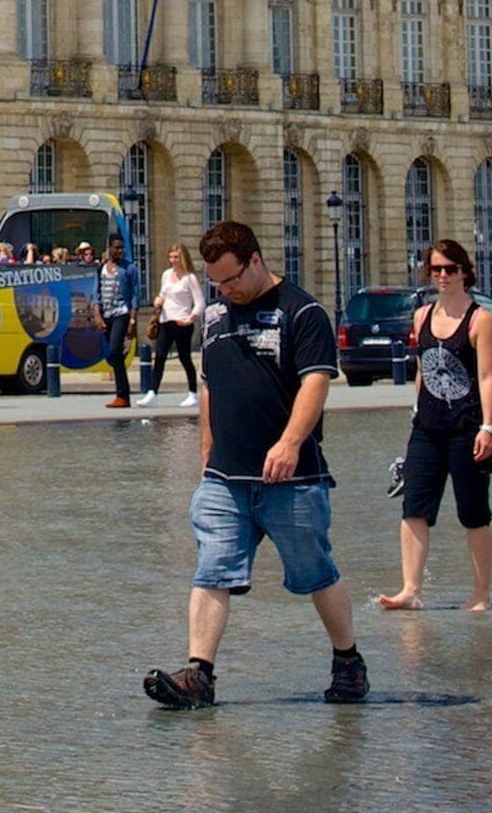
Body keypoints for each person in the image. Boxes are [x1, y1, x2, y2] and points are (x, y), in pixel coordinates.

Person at [142, 221, 362, 709]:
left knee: (315, 571)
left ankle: (348, 661)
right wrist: (207, 446)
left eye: (232, 279)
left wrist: (289, 443)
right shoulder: (216, 313)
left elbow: (315, 383)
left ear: (256, 260)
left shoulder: (302, 312)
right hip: (226, 476)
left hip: (292, 476)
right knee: (212, 569)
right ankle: (199, 674)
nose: (225, 290)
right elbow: (209, 383)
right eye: (216, 282)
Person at [377, 239, 492, 613]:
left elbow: (487, 377)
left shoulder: (480, 320)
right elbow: (423, 370)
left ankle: (481, 593)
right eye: (436, 269)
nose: (443, 275)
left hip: (467, 427)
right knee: (413, 507)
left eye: (450, 269)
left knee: (473, 513)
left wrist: (488, 427)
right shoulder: (422, 316)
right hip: (427, 428)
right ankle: (410, 589)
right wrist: (416, 411)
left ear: (464, 272)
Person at [147, 247, 206, 406]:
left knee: (185, 357)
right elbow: (163, 294)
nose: (173, 261)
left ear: (183, 258)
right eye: (171, 257)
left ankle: (192, 393)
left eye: (176, 257)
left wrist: (190, 318)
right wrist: (158, 300)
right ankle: (152, 392)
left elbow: (200, 302)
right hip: (166, 320)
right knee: (160, 356)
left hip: (182, 321)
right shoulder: (166, 274)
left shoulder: (189, 278)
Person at [99, 246, 139, 409]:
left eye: (122, 248)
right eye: (116, 248)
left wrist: (132, 319)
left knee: (115, 350)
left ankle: (123, 395)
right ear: (109, 249)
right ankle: (122, 394)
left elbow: (135, 294)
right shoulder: (101, 269)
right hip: (106, 314)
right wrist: (97, 315)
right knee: (111, 356)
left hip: (121, 314)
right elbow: (96, 293)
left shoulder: (129, 268)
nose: (120, 251)